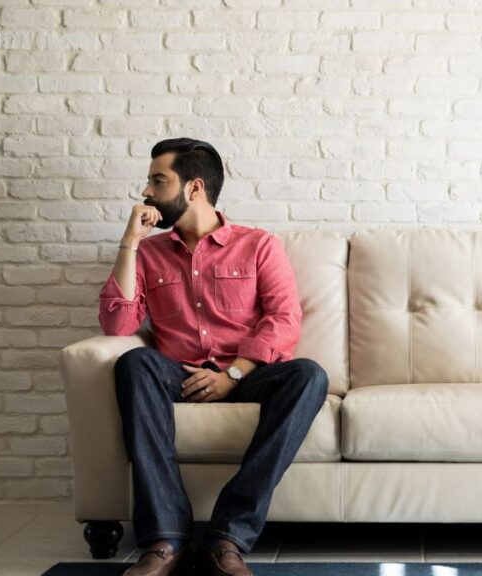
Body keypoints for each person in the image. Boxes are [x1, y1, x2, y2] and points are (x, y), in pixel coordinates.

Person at [99, 138, 328, 576]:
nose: (146, 192)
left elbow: (284, 318)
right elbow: (118, 327)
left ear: (194, 187)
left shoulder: (258, 245)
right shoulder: (148, 252)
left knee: (309, 376)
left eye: (158, 180)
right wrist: (130, 240)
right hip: (177, 374)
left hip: (247, 374)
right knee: (134, 362)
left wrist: (234, 374)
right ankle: (166, 539)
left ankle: (227, 536)